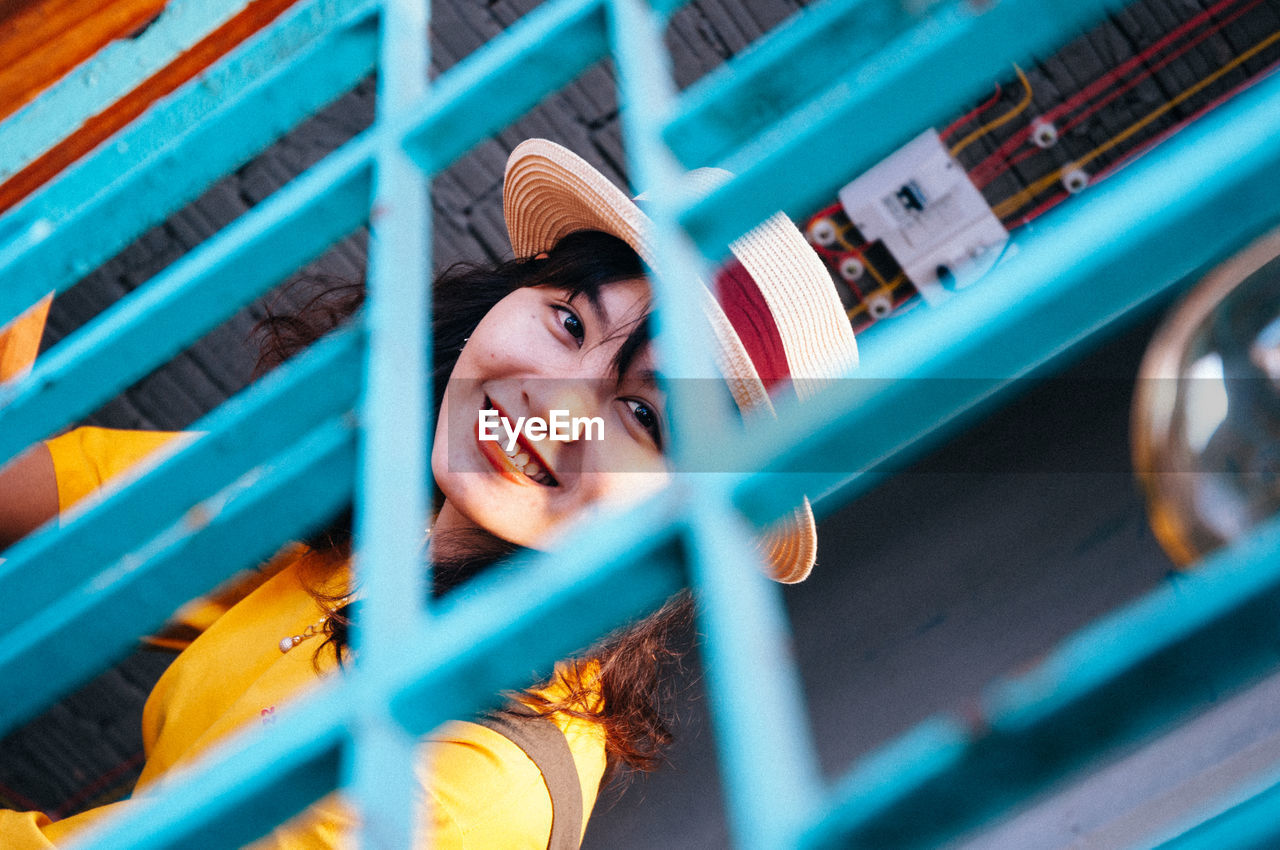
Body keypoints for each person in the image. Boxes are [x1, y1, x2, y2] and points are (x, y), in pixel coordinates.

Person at [0, 139, 857, 848]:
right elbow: (80, 506)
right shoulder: (399, 511)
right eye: (569, 321)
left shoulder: (465, 784)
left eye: (641, 415)